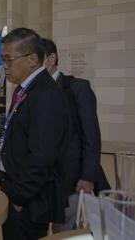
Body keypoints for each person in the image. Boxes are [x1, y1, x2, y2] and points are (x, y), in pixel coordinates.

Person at [0, 28, 69, 239]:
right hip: (14, 187)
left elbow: (42, 154)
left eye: (9, 60)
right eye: (3, 60)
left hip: (27, 200)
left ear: (33, 59)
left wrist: (19, 198)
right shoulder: (28, 89)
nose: (5, 66)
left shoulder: (45, 93)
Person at [42, 38, 110, 232]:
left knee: (66, 229)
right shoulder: (35, 91)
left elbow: (91, 136)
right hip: (46, 179)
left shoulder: (77, 88)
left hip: (74, 179)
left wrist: (88, 176)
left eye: (37, 59)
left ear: (52, 59)